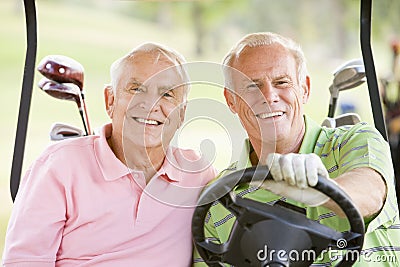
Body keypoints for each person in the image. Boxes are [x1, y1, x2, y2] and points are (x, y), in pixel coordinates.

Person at [193, 32, 400, 266]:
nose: (269, 96)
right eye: (252, 86)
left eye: (281, 82)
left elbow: (369, 193)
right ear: (231, 100)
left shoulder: (356, 140)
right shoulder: (218, 197)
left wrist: (322, 191)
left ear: (305, 89)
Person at [2, 43, 217, 267]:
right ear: (110, 100)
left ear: (181, 113)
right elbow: (23, 262)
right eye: (136, 89)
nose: (151, 104)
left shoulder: (199, 174)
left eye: (167, 94)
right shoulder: (58, 167)